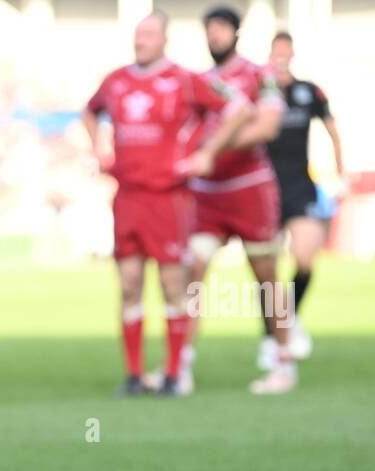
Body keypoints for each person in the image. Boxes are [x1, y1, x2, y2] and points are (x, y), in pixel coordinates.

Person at [83, 10, 250, 397]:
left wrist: (208, 152)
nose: (140, 41)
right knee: (128, 283)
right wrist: (97, 148)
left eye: (148, 35)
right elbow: (91, 111)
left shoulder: (185, 80)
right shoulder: (116, 81)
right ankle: (134, 375)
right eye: (137, 34)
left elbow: (239, 106)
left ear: (164, 40)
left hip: (169, 196)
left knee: (173, 283)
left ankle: (175, 372)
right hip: (127, 195)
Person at [185, 6, 294, 395]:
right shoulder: (198, 81)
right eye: (209, 30)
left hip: (250, 189)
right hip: (207, 195)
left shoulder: (259, 76)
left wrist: (211, 148)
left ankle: (283, 360)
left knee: (266, 278)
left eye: (221, 29)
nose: (215, 36)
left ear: (235, 33)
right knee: (191, 275)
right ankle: (180, 365)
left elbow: (266, 127)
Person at [263, 30, 343, 366]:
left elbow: (331, 128)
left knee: (305, 259)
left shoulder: (307, 92)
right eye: (276, 51)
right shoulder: (258, 92)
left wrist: (341, 173)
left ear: (292, 55)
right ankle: (270, 339)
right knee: (265, 268)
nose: (281, 57)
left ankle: (287, 319)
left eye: (286, 51)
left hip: (299, 185)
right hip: (264, 187)